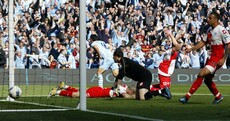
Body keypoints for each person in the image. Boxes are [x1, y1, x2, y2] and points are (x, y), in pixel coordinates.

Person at [179, 12, 230, 104]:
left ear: (215, 20)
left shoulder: (222, 30)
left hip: (217, 58)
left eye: (210, 18)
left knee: (201, 73)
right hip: (211, 58)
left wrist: (224, 59)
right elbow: (203, 42)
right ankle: (218, 96)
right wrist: (192, 48)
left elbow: (228, 45)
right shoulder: (209, 30)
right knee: (207, 80)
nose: (208, 19)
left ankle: (186, 97)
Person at [149, 28, 183, 93]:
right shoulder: (172, 51)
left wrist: (174, 37)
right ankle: (148, 93)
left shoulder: (170, 50)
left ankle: (149, 88)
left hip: (166, 70)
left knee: (165, 89)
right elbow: (178, 46)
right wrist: (171, 35)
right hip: (164, 70)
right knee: (165, 91)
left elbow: (176, 45)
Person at [47, 81, 135, 99]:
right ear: (130, 91)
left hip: (98, 90)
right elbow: (125, 96)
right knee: (76, 95)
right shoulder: (123, 89)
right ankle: (56, 92)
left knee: (79, 92)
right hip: (97, 92)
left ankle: (65, 86)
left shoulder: (124, 85)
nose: (130, 94)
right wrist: (134, 97)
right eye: (131, 93)